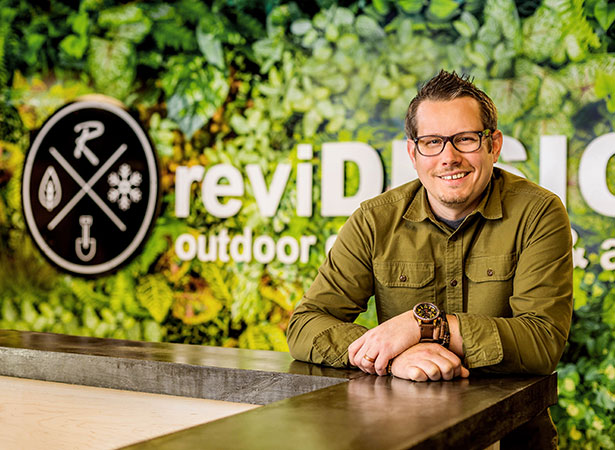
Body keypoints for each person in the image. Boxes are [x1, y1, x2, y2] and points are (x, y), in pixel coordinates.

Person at [287, 70, 573, 448]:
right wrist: (392, 356)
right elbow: (305, 325)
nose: (448, 158)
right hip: (404, 436)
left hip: (512, 438)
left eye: (465, 140)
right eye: (432, 142)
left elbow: (542, 341)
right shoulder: (375, 220)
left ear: (494, 144)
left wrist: (425, 327)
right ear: (413, 152)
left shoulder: (539, 212)